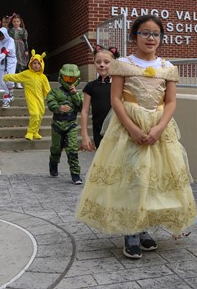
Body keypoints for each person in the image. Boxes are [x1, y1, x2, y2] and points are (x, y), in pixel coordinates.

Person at [76, 15, 197, 259]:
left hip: (158, 129)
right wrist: (132, 128)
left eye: (156, 34)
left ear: (161, 38)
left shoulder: (168, 67)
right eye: (145, 33)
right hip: (127, 129)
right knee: (130, 177)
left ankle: (143, 228)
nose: (151, 38)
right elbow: (116, 99)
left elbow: (171, 101)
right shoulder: (122, 64)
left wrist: (159, 128)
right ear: (135, 36)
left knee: (152, 180)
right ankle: (130, 229)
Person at [47, 64, 83, 185]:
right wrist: (58, 108)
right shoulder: (55, 92)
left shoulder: (78, 94)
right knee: (56, 148)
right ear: (61, 78)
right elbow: (50, 103)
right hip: (58, 124)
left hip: (71, 124)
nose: (69, 81)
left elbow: (81, 106)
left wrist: (74, 94)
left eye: (72, 79)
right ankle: (53, 163)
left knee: (72, 149)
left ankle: (75, 174)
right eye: (67, 78)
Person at [3, 49, 51, 140]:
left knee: (40, 114)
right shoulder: (27, 74)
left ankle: (35, 132)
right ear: (31, 64)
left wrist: (51, 98)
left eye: (38, 63)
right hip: (31, 98)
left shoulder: (43, 77)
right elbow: (16, 77)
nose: (36, 65)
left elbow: (47, 90)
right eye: (34, 63)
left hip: (40, 99)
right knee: (35, 114)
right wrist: (7, 76)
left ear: (41, 65)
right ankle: (30, 132)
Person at [81, 45, 120, 151]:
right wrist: (85, 136)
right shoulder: (90, 86)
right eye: (98, 62)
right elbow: (84, 111)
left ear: (113, 63)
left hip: (117, 131)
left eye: (106, 62)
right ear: (94, 63)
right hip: (98, 131)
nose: (102, 65)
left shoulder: (119, 85)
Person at [8, 13, 29, 89]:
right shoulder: (10, 30)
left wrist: (26, 50)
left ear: (20, 22)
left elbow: (25, 41)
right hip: (12, 46)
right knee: (13, 64)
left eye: (17, 21)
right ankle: (12, 81)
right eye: (14, 21)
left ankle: (19, 82)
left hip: (20, 47)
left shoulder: (23, 31)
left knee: (20, 64)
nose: (16, 23)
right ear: (12, 22)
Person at [0, 27, 16, 108]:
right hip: (2, 62)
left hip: (10, 62)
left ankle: (10, 93)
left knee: (9, 80)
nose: (1, 38)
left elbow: (8, 49)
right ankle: (6, 99)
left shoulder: (10, 40)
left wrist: (3, 54)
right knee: (1, 82)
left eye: (2, 36)